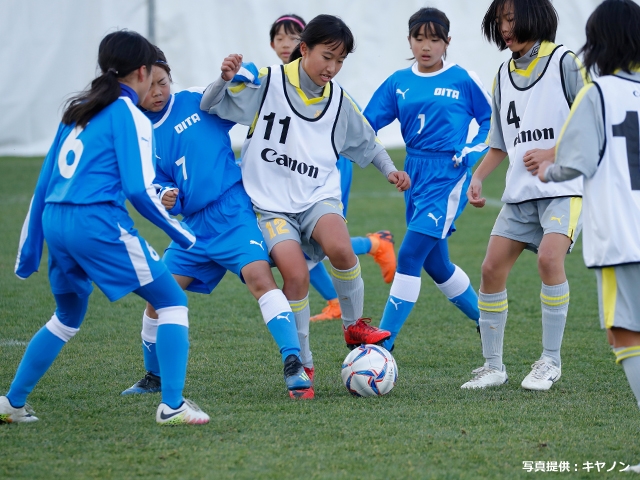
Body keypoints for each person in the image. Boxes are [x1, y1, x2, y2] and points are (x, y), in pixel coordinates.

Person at [0, 30, 209, 425]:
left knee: (66, 316)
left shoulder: (78, 108)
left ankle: (12, 402)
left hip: (57, 221)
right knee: (172, 302)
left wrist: (30, 247)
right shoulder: (128, 114)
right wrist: (184, 235)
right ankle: (173, 406)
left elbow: (45, 182)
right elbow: (138, 189)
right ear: (144, 71)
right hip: (95, 222)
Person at [200, 16, 411, 380]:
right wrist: (223, 77)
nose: (332, 68)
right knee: (295, 275)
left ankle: (354, 325)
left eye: (340, 60)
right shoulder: (268, 83)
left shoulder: (339, 100)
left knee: (342, 248)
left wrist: (391, 169)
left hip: (317, 197)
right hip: (269, 206)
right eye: (327, 57)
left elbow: (369, 143)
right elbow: (208, 104)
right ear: (304, 50)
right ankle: (304, 363)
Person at [120, 48, 313, 400]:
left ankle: (293, 363)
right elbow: (156, 181)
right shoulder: (139, 133)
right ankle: (154, 375)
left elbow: (242, 93)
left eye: (163, 81)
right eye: (151, 86)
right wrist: (167, 195)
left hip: (232, 213)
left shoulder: (195, 101)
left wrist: (238, 74)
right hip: (192, 228)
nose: (159, 90)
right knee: (157, 296)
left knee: (259, 278)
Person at [461, 0, 586, 390]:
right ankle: (494, 366)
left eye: (511, 19)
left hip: (563, 187)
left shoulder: (564, 61)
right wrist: (478, 178)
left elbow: (591, 120)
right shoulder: (502, 73)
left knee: (550, 259)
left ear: (535, 16)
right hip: (519, 194)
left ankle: (551, 361)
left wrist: (554, 153)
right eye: (499, 21)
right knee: (490, 270)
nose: (505, 28)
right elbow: (499, 142)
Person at [537, 0, 640, 454]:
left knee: (626, 334)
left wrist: (547, 169)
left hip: (624, 238)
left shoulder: (599, 92)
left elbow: (574, 162)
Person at [363, 7, 491, 353]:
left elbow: (490, 120)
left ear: (447, 41)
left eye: (434, 38)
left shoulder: (463, 78)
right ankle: (486, 322)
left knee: (408, 257)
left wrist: (469, 151)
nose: (426, 45)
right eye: (419, 38)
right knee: (437, 264)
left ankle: (381, 346)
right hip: (414, 172)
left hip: (448, 175)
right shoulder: (398, 82)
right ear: (410, 40)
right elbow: (363, 126)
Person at [268, 14, 397, 323]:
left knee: (318, 243)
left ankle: (347, 291)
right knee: (299, 248)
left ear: (304, 44)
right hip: (289, 181)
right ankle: (373, 246)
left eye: (293, 36)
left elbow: (360, 133)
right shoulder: (271, 82)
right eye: (280, 38)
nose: (287, 43)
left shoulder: (332, 92)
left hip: (329, 172)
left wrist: (388, 167)